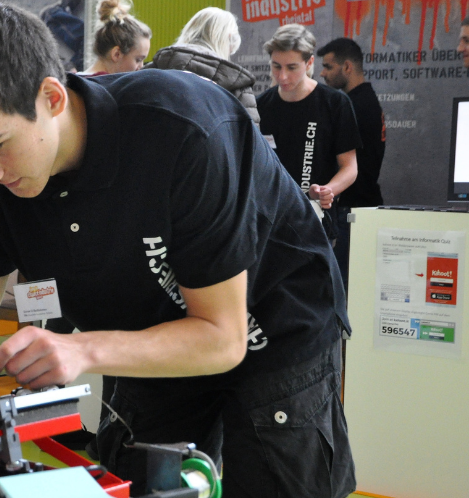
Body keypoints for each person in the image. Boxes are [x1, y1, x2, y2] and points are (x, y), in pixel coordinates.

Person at [0, 3, 355, 498]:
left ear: (51, 97)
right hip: (150, 342)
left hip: (272, 332)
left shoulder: (180, 128)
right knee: (139, 485)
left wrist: (82, 349)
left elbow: (223, 338)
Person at [256, 24, 360, 246]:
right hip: (270, 227)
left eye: (292, 67)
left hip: (316, 226)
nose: (282, 76)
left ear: (309, 63)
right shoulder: (261, 106)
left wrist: (327, 191)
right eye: (276, 66)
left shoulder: (334, 103)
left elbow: (350, 168)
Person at [318, 37, 386, 290]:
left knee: (343, 290)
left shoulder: (353, 106)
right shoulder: (365, 100)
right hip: (360, 208)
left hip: (351, 212)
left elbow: (351, 166)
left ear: (347, 67)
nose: (322, 74)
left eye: (328, 66)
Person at [145, 7, 259, 124]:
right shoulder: (237, 85)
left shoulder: (151, 69)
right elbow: (251, 139)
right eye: (230, 52)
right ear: (228, 40)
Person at [80, 0, 151, 76]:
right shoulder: (107, 86)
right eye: (138, 60)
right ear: (116, 54)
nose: (141, 66)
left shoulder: (74, 79)